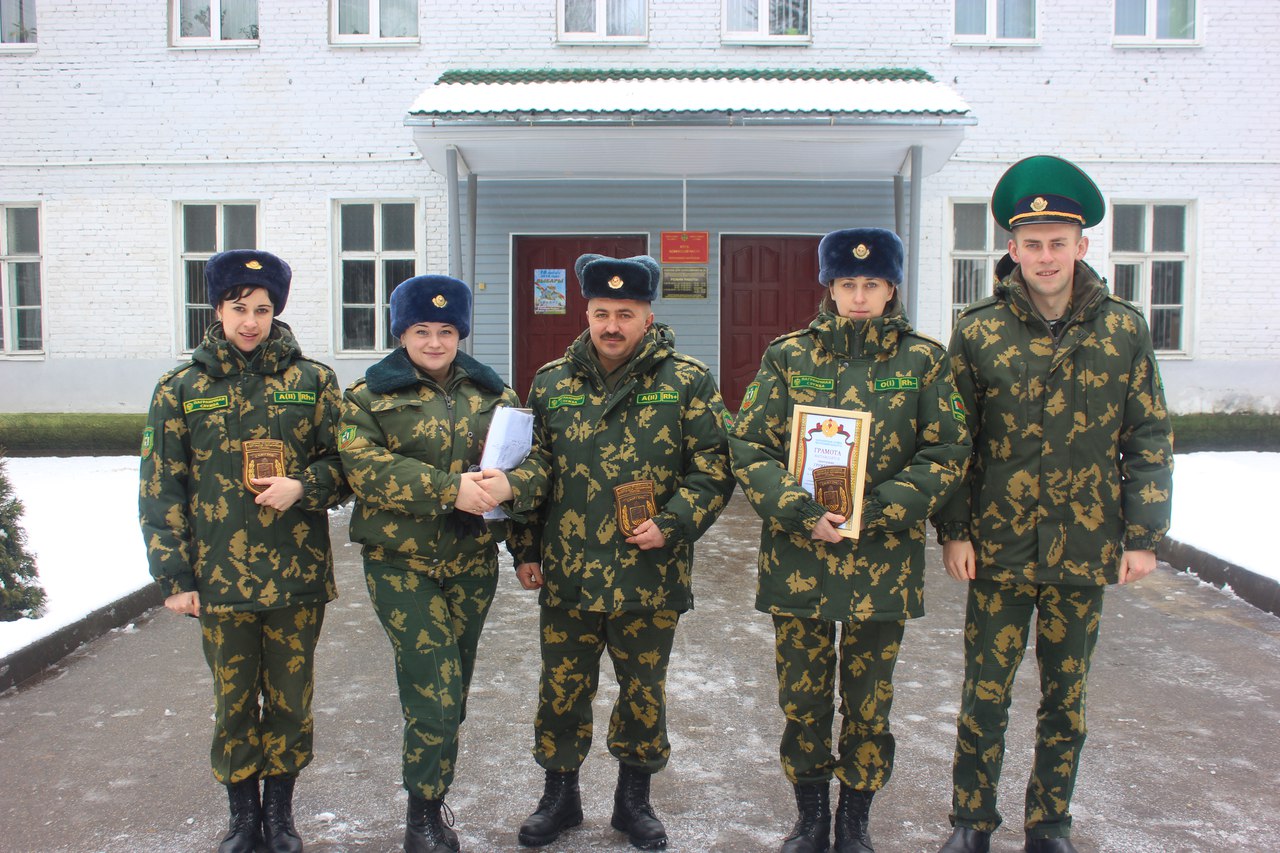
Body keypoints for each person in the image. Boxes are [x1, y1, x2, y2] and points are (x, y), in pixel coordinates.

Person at [933, 156, 1174, 853]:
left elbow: (1148, 434)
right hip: (999, 549)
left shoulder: (1123, 329)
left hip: (1083, 545)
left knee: (1066, 699)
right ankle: (972, 821)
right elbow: (954, 438)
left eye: (1057, 242)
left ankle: (1050, 823)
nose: (1045, 256)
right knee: (985, 693)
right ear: (1012, 248)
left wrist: (1143, 535)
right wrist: (954, 529)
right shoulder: (978, 330)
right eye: (1032, 243)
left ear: (1081, 245)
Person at [729, 228, 972, 853]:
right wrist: (799, 509)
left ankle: (855, 820)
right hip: (801, 556)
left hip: (881, 561)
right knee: (803, 697)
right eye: (847, 284)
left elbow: (947, 450)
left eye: (871, 284)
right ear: (829, 288)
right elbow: (749, 445)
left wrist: (876, 509)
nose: (859, 297)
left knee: (869, 700)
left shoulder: (922, 360)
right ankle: (811, 817)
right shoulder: (789, 357)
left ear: (891, 289)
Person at [510, 253, 735, 851]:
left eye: (626, 314)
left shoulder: (686, 380)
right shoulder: (551, 381)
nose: (612, 326)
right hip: (569, 572)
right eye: (602, 312)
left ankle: (634, 803)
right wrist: (525, 548)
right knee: (561, 690)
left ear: (647, 316)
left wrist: (673, 523)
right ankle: (559, 797)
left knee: (642, 691)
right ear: (586, 313)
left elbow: (714, 469)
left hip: (649, 572)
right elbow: (534, 469)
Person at [139, 249, 348, 853]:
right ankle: (242, 817)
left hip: (295, 575)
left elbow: (347, 463)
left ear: (276, 310)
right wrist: (175, 576)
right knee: (233, 701)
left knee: (290, 700)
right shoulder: (182, 387)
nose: (250, 321)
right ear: (217, 310)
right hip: (220, 578)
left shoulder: (312, 382)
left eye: (261, 309)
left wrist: (304, 485)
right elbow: (161, 485)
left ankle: (280, 815)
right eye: (238, 308)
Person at [338, 275, 545, 853]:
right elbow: (363, 467)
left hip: (471, 561)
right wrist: (448, 489)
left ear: (461, 333)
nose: (434, 342)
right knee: (434, 687)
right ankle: (423, 817)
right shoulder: (368, 396)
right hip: (401, 563)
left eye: (446, 330)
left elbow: (531, 464)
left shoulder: (492, 393)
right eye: (422, 330)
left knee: (454, 687)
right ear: (401, 333)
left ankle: (431, 797)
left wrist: (519, 525)